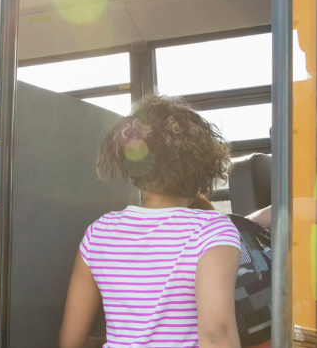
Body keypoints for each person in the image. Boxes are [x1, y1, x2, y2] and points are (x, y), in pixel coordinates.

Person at [59, 95, 243, 348]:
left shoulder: (99, 233)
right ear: (201, 166)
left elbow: (70, 342)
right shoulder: (211, 230)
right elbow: (216, 336)